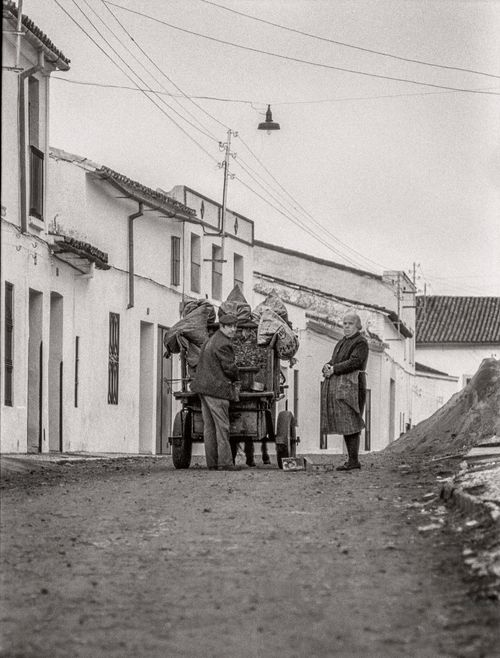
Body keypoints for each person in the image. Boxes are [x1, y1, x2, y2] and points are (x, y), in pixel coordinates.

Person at [191, 314, 240, 471]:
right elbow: (229, 368)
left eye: (235, 326)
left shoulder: (210, 339)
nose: (233, 330)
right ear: (222, 327)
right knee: (222, 427)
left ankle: (212, 463)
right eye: (230, 326)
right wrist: (237, 378)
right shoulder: (224, 344)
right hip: (216, 389)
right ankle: (225, 463)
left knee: (209, 428)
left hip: (203, 389)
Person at [321, 312, 368, 471]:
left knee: (351, 420)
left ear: (358, 326)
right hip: (342, 386)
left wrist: (334, 369)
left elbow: (355, 361)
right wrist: (327, 367)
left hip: (354, 385)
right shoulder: (342, 342)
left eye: (350, 324)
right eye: (345, 323)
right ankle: (352, 460)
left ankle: (354, 461)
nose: (346, 326)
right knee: (346, 421)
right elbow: (335, 360)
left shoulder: (360, 342)